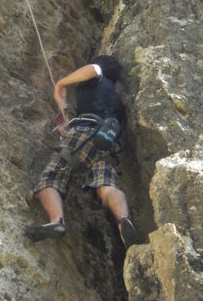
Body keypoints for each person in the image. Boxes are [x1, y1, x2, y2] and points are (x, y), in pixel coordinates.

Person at [24, 55, 140, 250]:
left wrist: (61, 84)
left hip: (82, 132)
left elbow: (93, 69)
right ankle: (123, 220)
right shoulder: (118, 103)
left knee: (51, 178)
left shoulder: (97, 75)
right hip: (106, 142)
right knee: (106, 185)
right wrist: (64, 117)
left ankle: (56, 220)